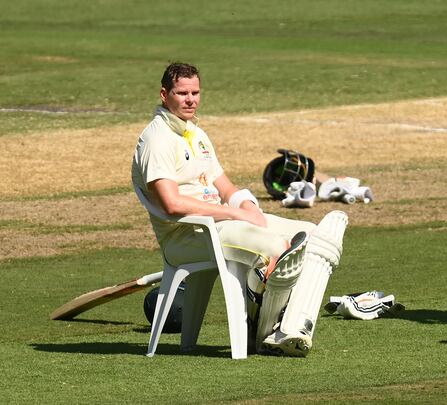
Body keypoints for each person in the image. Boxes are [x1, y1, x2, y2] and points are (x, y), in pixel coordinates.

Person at [131, 62, 348, 356]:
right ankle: (265, 336)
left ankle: (292, 328)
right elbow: (171, 204)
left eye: (195, 92)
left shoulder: (196, 134)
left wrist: (247, 205)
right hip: (189, 235)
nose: (190, 99)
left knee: (312, 235)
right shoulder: (157, 140)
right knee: (279, 247)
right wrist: (236, 214)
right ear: (164, 94)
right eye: (182, 93)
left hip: (222, 224)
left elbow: (226, 188)